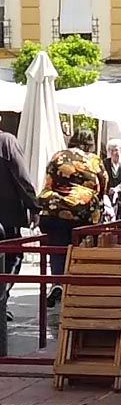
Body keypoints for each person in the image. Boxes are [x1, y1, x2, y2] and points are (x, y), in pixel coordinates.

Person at [37, 129, 108, 307]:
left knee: (57, 246)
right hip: (82, 210)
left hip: (53, 210)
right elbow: (103, 185)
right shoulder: (93, 160)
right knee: (80, 248)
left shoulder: (58, 156)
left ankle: (58, 282)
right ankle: (76, 287)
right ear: (90, 143)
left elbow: (49, 181)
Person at [0, 133, 39, 320]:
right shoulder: (6, 142)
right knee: (12, 257)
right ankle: (1, 301)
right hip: (6, 215)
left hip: (7, 215)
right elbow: (20, 175)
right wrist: (34, 206)